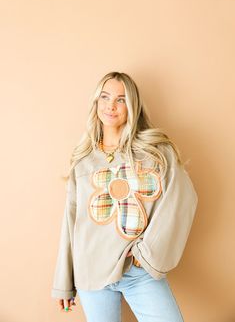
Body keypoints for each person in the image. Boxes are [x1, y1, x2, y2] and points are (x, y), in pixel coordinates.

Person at [51, 71, 198, 322]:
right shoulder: (83, 161)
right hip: (91, 272)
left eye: (121, 99)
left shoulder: (156, 151)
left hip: (137, 271)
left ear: (133, 106)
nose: (111, 105)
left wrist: (145, 255)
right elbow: (71, 222)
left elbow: (182, 200)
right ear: (96, 102)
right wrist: (63, 281)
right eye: (105, 97)